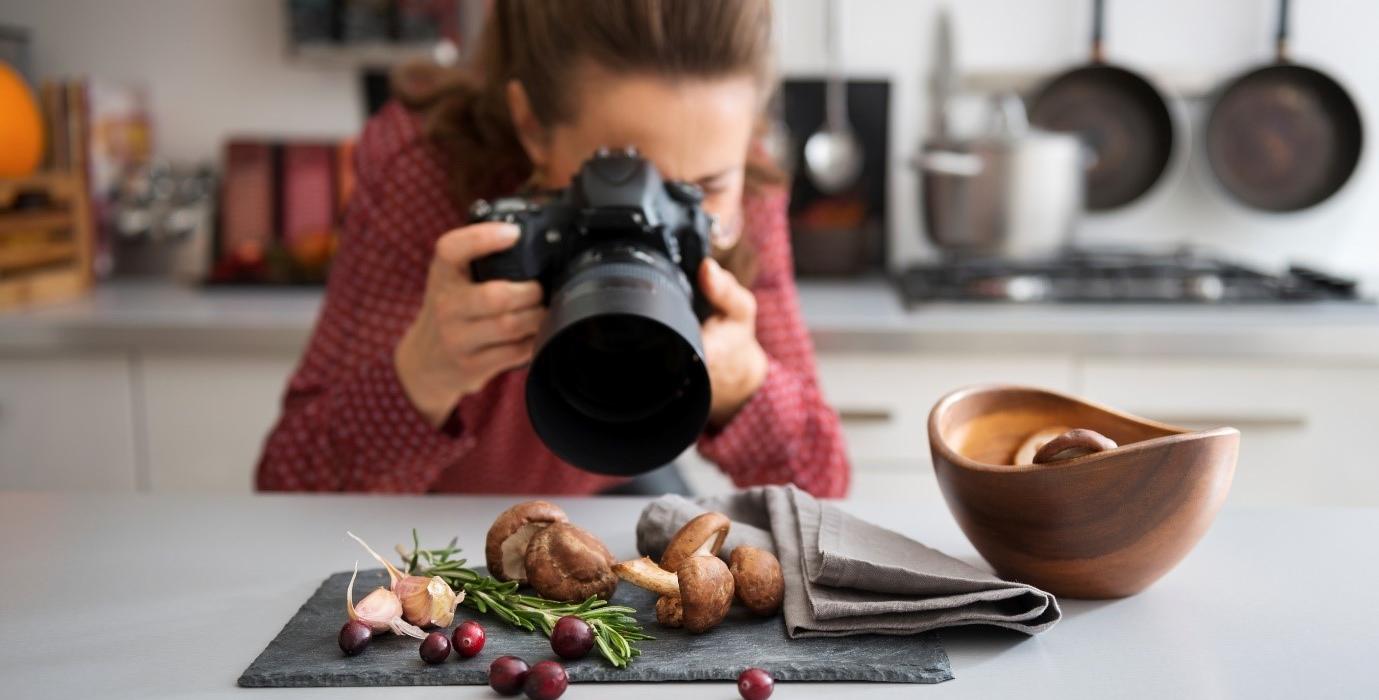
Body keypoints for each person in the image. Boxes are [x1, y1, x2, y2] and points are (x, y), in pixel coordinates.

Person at [255, 0, 849, 497]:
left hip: (615, 480)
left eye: (704, 189)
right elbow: (289, 488)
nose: (653, 219)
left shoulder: (748, 188)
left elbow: (824, 486)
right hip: (428, 512)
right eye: (618, 178)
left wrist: (747, 385)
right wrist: (421, 375)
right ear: (531, 127)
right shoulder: (426, 170)